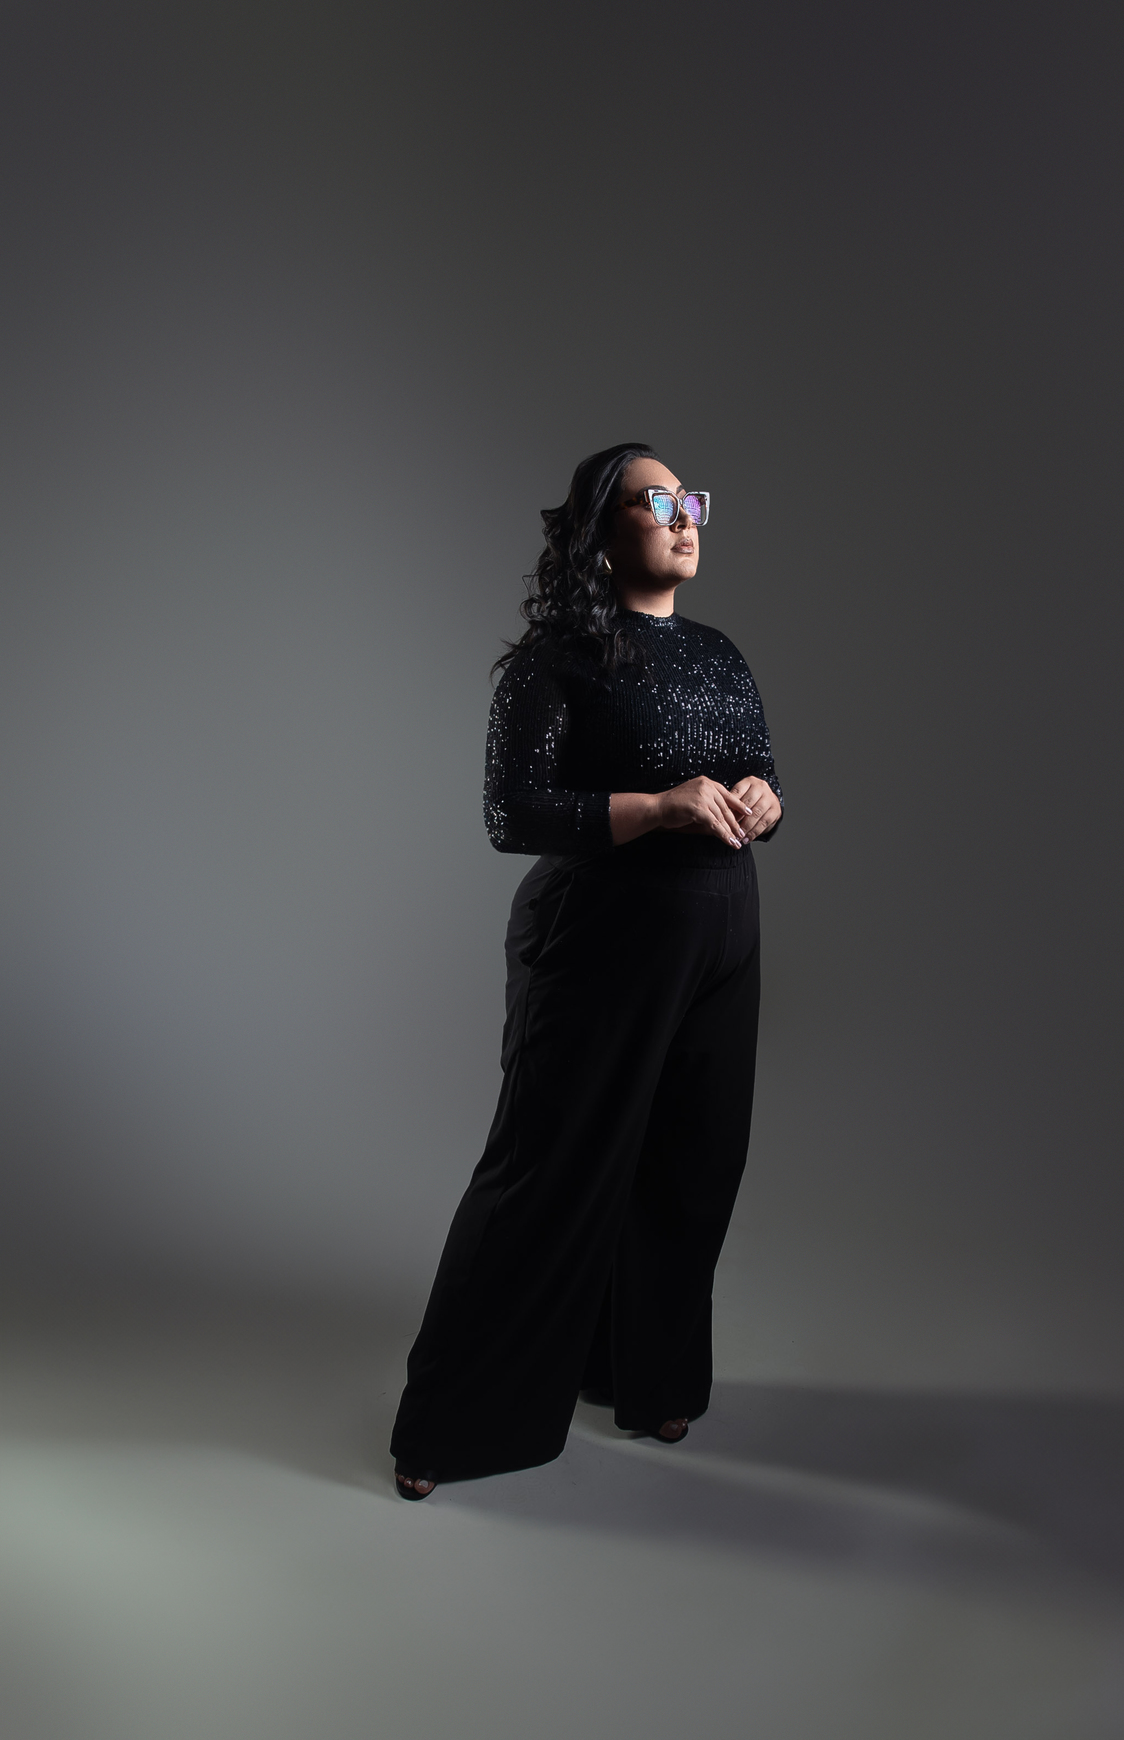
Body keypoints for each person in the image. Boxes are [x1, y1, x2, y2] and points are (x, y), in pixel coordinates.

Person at [390, 441, 784, 1500]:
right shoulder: (554, 661)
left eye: (691, 501)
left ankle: (647, 1378)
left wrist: (765, 799)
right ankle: (452, 1428)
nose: (684, 518)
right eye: (658, 503)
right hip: (601, 934)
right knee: (552, 1167)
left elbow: (761, 769)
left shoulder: (719, 654)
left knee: (692, 1165)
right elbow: (512, 813)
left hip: (722, 930)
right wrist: (659, 809)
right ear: (603, 534)